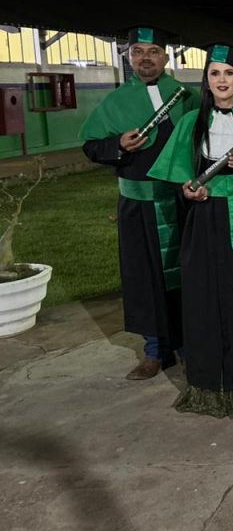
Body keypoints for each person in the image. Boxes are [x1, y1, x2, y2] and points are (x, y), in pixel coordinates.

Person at [148, 43, 233, 416]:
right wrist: (188, 190)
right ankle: (209, 384)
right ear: (206, 81)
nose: (222, 80)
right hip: (205, 220)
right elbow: (177, 176)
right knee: (204, 300)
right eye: (214, 73)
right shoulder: (191, 123)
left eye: (229, 73)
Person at [79, 26, 198, 380]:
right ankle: (154, 350)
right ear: (129, 57)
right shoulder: (116, 101)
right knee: (143, 277)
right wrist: (118, 144)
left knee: (188, 274)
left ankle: (189, 344)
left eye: (153, 51)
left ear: (165, 56)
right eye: (138, 52)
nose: (145, 58)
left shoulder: (186, 97)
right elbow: (91, 145)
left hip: (181, 202)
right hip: (138, 204)